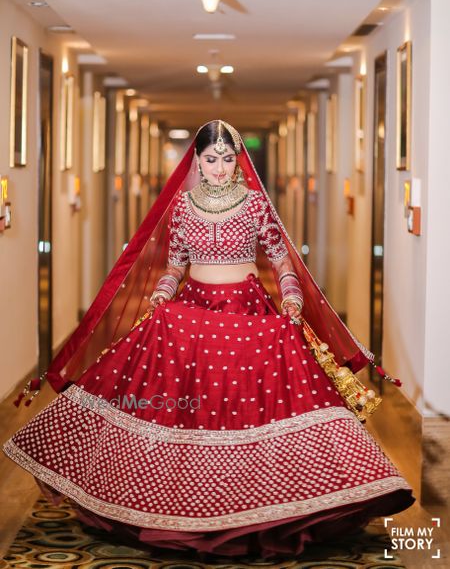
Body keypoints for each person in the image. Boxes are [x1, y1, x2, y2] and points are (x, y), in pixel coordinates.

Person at [3, 120, 414, 559]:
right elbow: (175, 265)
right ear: (197, 161)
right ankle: (180, 502)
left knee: (247, 407)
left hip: (248, 314)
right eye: (210, 159)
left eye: (226, 159)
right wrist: (161, 295)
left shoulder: (255, 204)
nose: (219, 168)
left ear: (238, 161)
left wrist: (291, 301)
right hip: (192, 316)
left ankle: (261, 505)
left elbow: (282, 261)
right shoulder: (182, 206)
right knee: (186, 408)